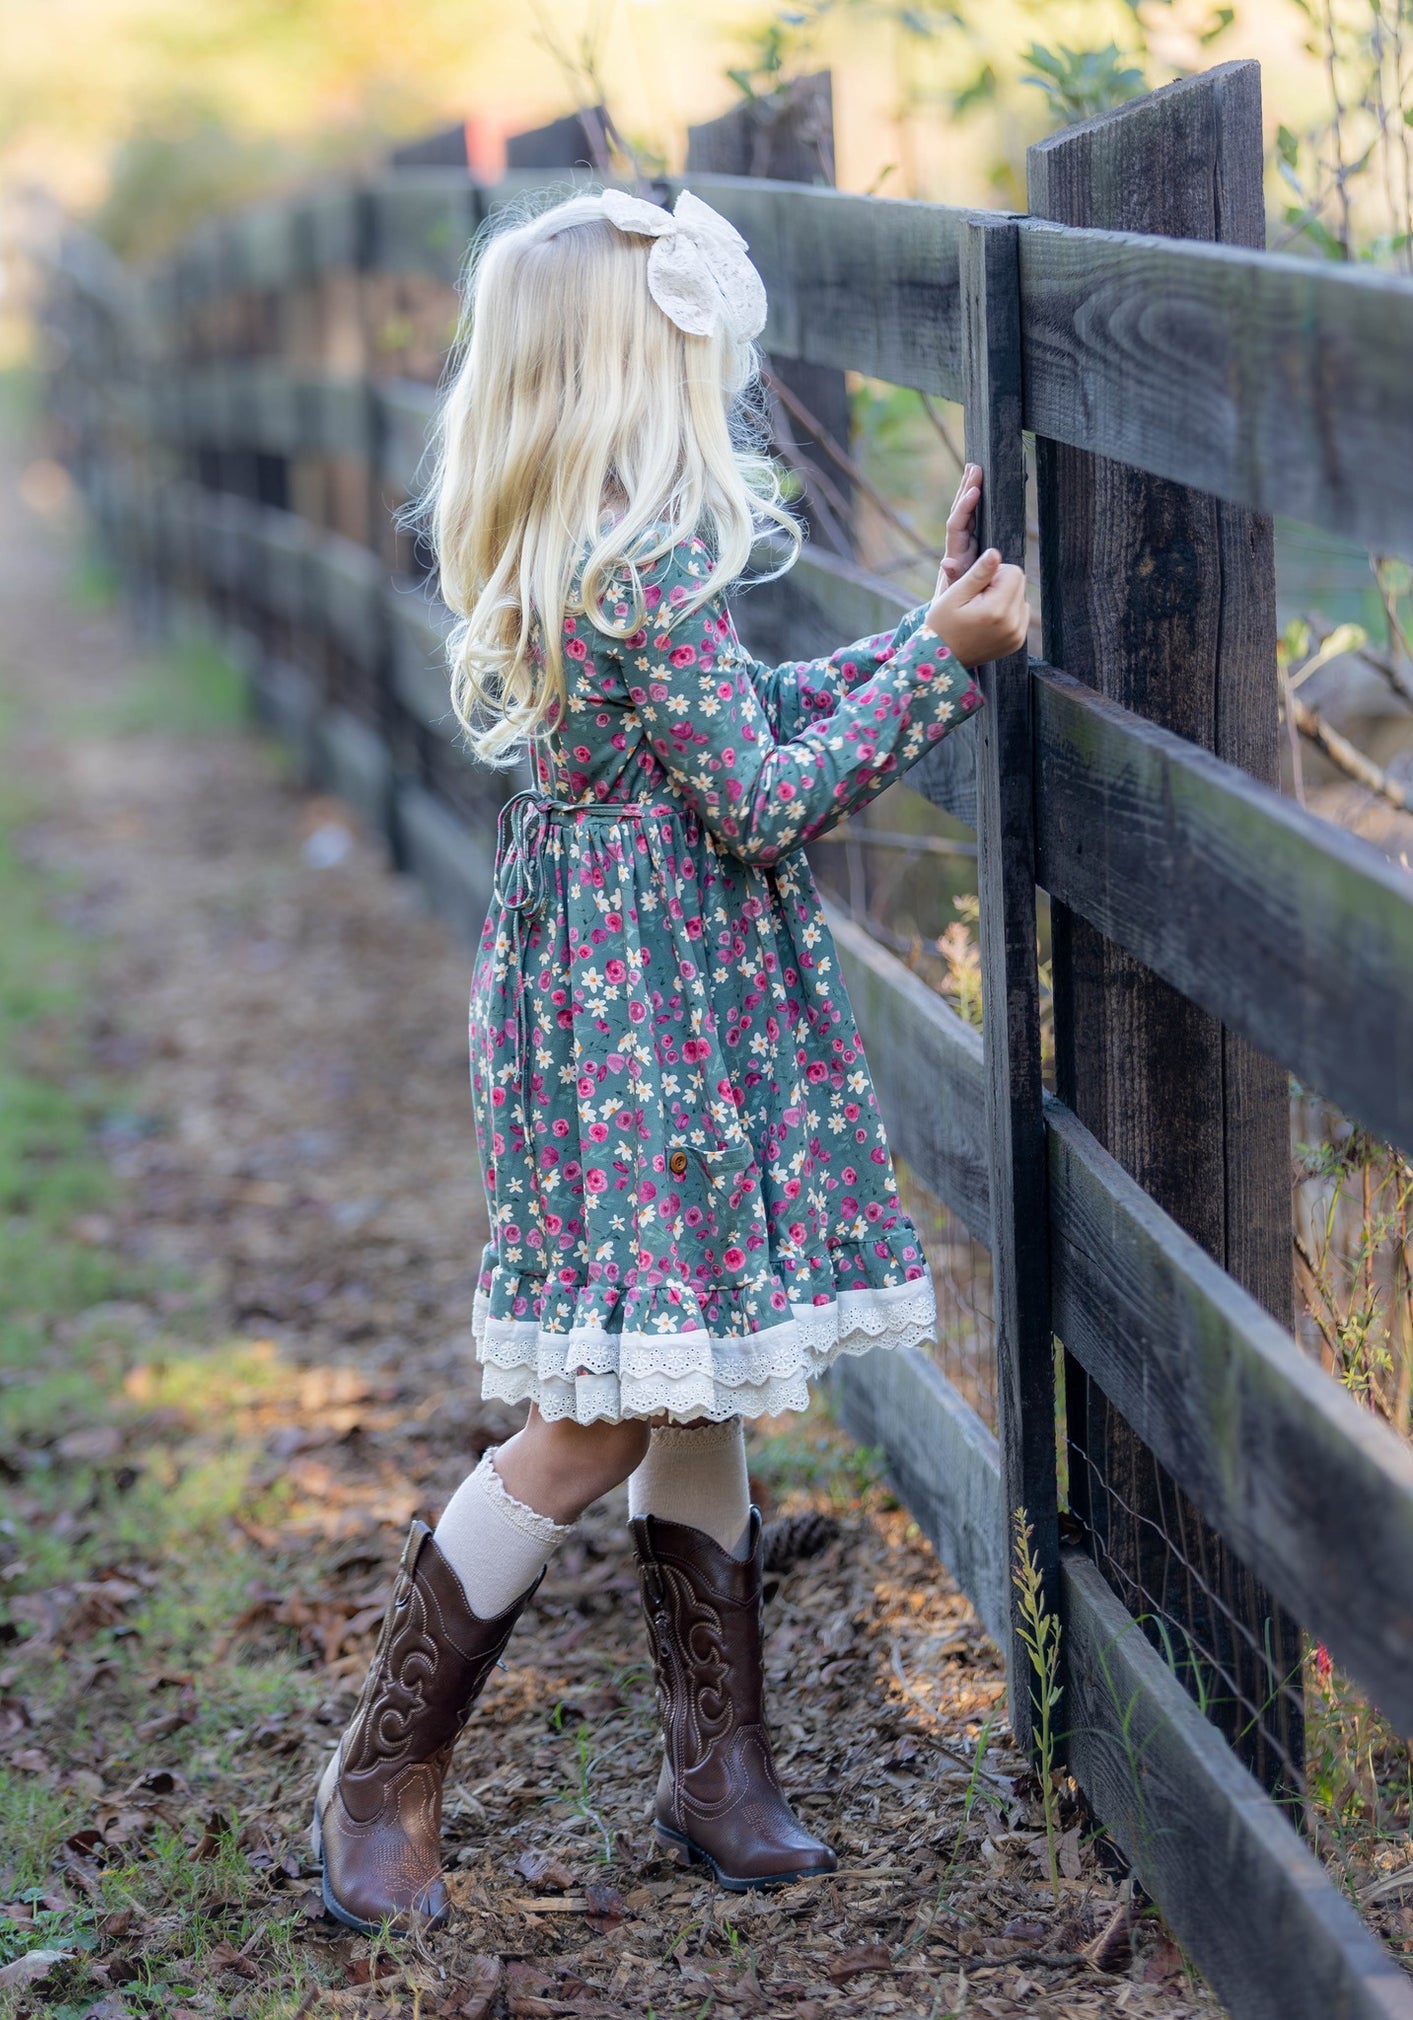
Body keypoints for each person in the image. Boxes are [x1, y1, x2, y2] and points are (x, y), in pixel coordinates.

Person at [311, 186, 1028, 1933]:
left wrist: (923, 631)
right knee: (595, 1416)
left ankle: (722, 1774)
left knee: (687, 1364)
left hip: (639, 1010)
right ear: (646, 372)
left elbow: (755, 716)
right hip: (649, 1017)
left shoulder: (602, 546)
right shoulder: (634, 563)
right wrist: (939, 673)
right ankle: (384, 1771)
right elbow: (768, 795)